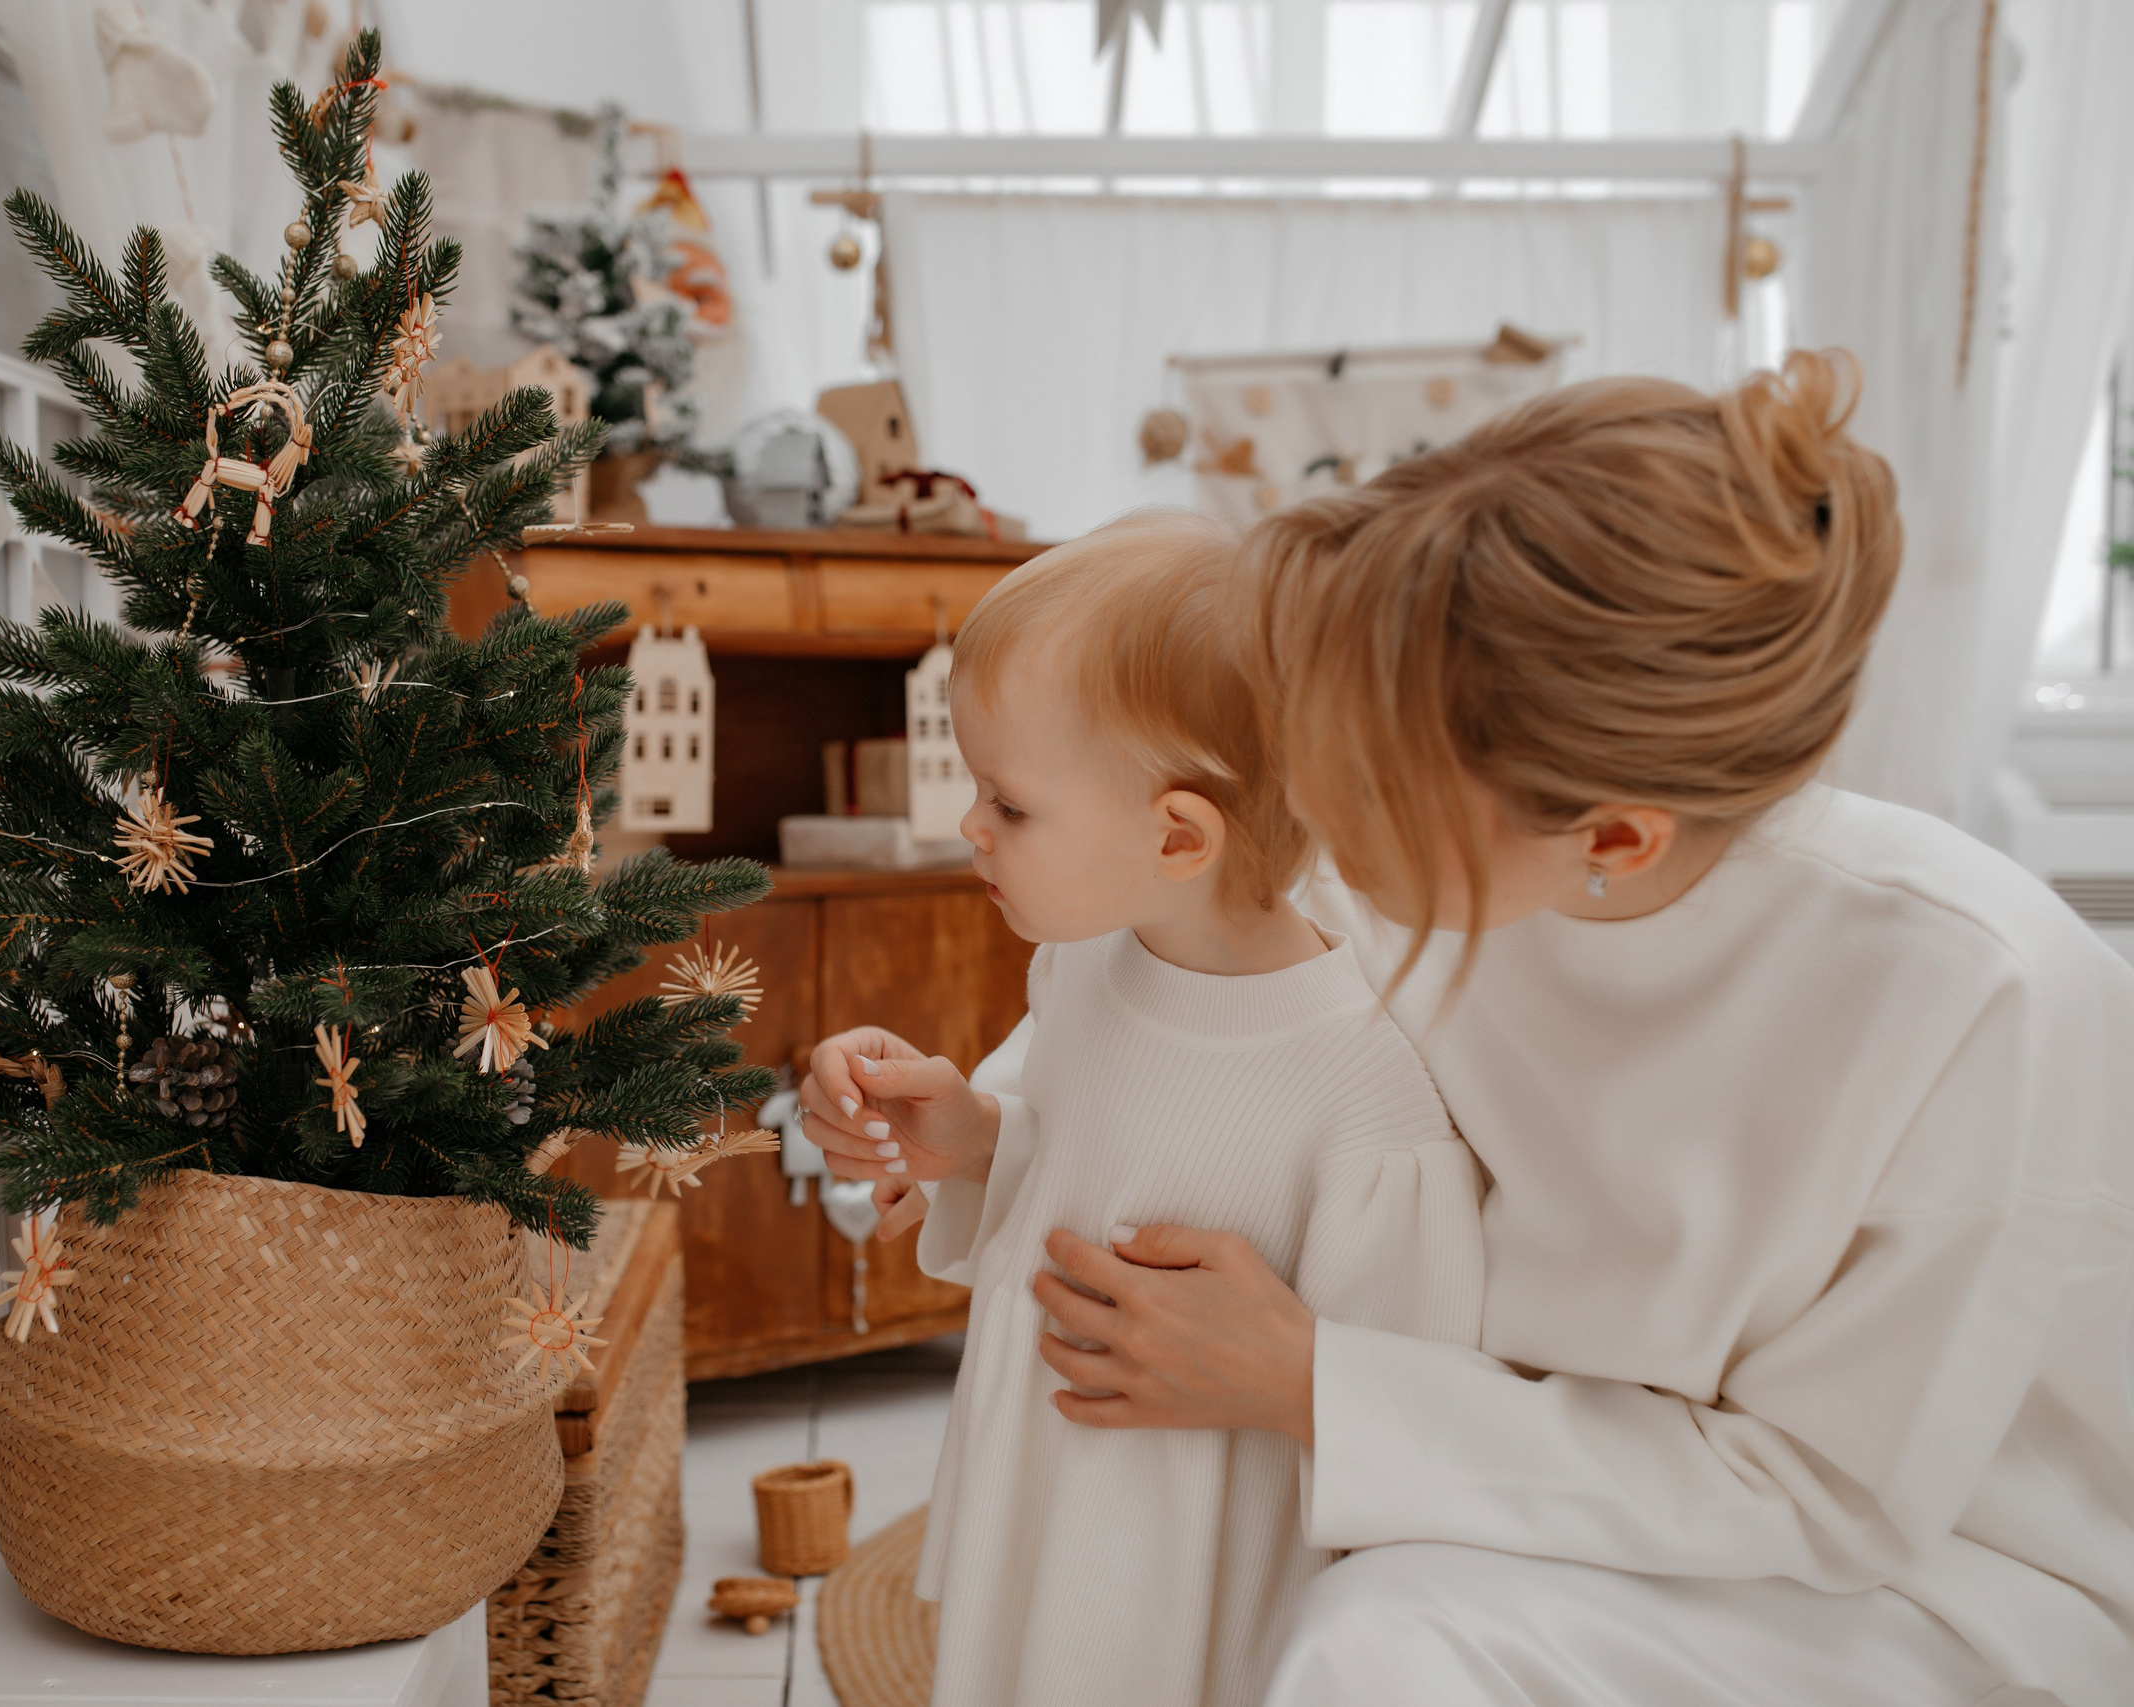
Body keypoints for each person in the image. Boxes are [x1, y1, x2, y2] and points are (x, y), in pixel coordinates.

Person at [808, 351, 2134, 1706]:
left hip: (1910, 1578)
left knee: (1382, 1636)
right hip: (1503, 1449)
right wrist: (985, 1135)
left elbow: (1831, 1495)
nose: (1310, 795)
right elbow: (1174, 1048)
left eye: (1373, 772)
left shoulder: (1977, 999)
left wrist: (1321, 1380)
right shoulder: (1453, 859)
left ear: (1612, 835)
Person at [803, 512, 1484, 1707]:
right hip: (1052, 1489)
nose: (971, 826)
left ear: (1177, 836)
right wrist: (969, 1139)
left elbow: (1396, 1408)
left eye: (1008, 804)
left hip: (1198, 1577)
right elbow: (1072, 1177)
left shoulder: (1366, 1087)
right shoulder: (1083, 969)